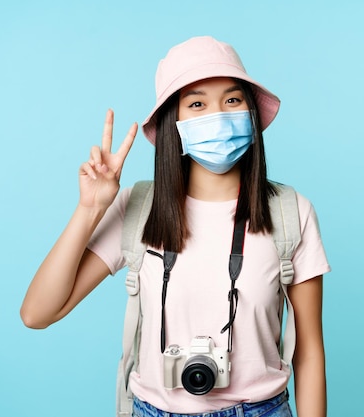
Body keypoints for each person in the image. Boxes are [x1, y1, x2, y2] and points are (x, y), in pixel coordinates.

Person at [20, 36, 330, 417]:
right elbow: (37, 314)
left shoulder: (289, 212)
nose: (218, 115)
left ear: (250, 111)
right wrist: (90, 209)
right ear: (174, 123)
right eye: (197, 104)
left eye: (232, 100)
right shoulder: (139, 209)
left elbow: (310, 350)